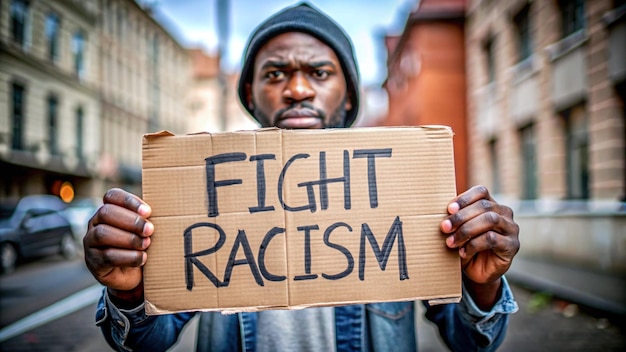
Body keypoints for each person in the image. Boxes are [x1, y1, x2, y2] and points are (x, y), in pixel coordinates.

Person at [84, 3, 519, 351]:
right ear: (251, 94)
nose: (296, 90)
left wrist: (483, 286)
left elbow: (472, 340)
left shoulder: (403, 189)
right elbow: (146, 340)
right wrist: (129, 294)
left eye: (319, 72)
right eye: (275, 73)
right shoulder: (203, 193)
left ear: (348, 95)